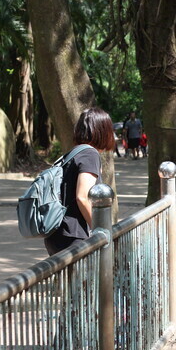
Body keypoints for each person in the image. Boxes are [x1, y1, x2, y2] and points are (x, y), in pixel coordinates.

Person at [44, 107, 115, 256]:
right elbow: (82, 197)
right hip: (74, 236)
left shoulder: (73, 153)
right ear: (103, 131)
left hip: (57, 233)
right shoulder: (90, 155)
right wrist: (100, 229)